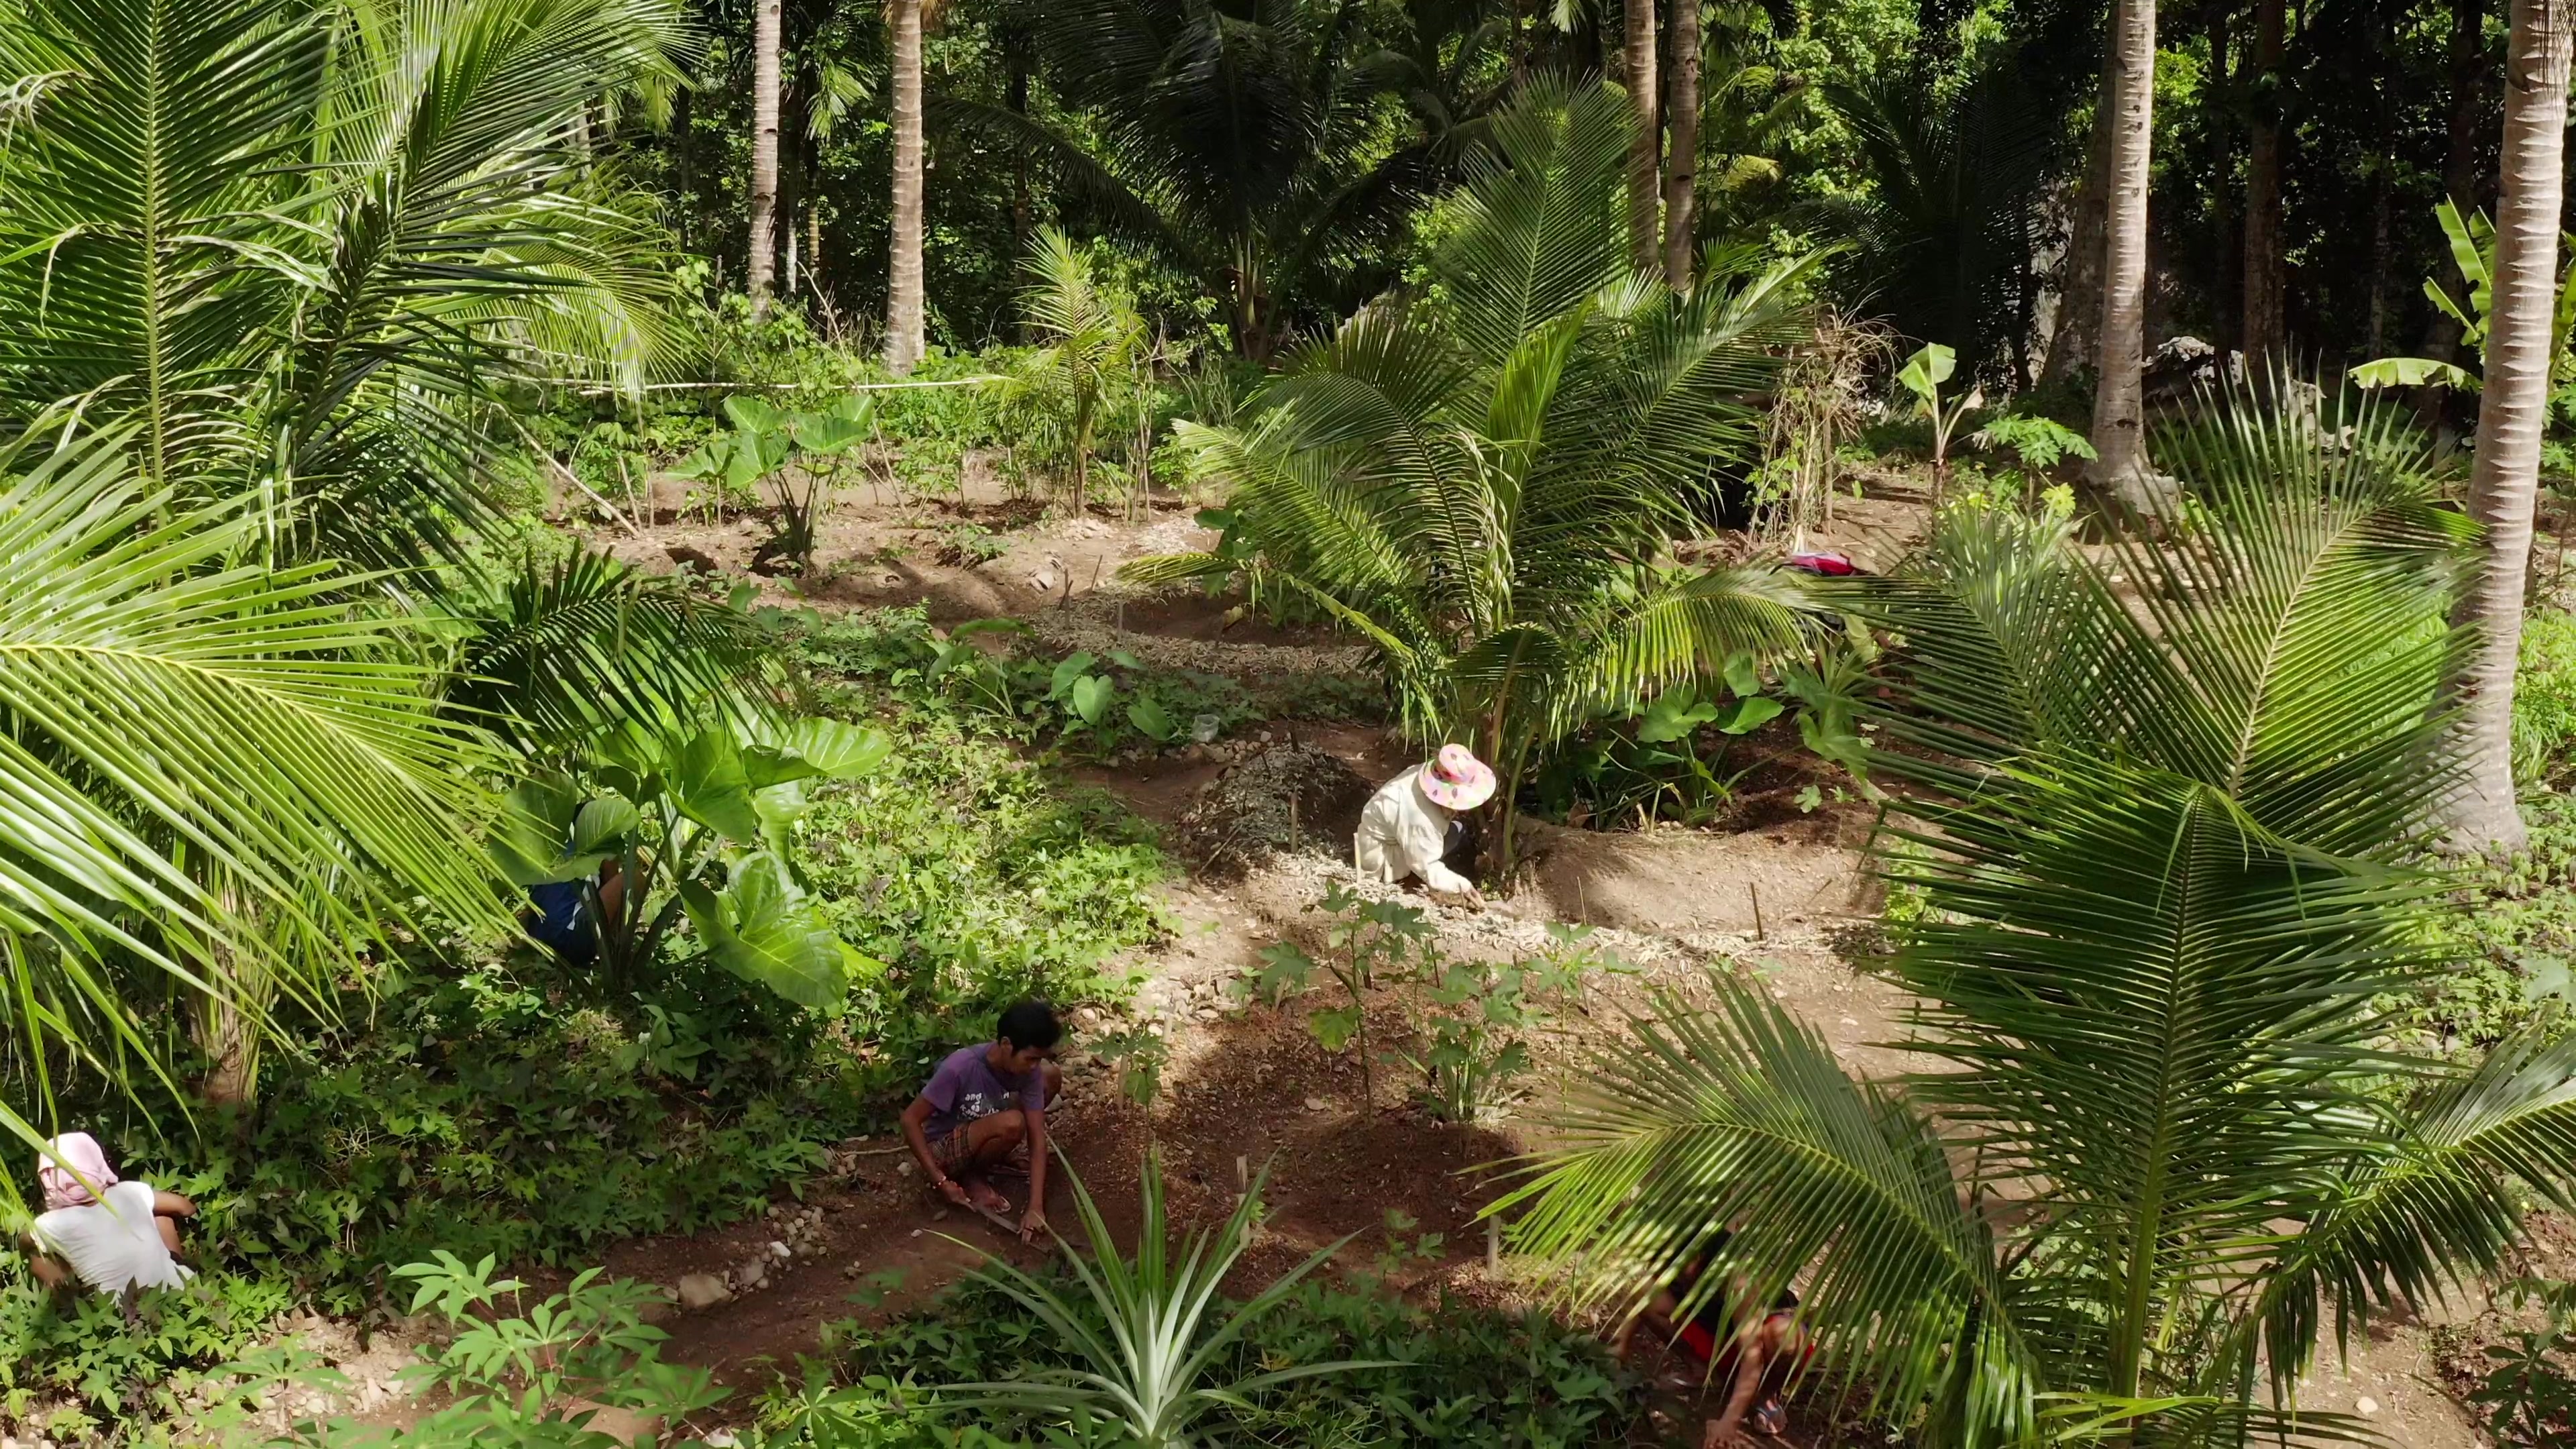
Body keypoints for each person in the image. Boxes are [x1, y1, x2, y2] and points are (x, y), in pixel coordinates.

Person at [1613, 1240, 1811, 1446]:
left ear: (1698, 1256)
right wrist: (1620, 1344)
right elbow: (1646, 1294)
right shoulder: (1675, 1257)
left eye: (1678, 1269)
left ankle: (1765, 1396)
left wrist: (1728, 1423)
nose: (1674, 1275)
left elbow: (1753, 1358)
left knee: (1786, 1336)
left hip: (1762, 1345)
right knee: (1647, 1291)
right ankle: (1702, 1371)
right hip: (1722, 1340)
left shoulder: (1737, 1280)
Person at [900, 1000, 1064, 1244]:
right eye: (1030, 1059)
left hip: (984, 1124)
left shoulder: (1029, 1072)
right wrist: (940, 1180)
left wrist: (1035, 1207)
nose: (1034, 1067)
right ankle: (971, 1177)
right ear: (1006, 1045)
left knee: (1049, 1076)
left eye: (1038, 1059)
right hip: (944, 1146)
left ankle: (988, 1160)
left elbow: (1037, 1138)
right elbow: (910, 1120)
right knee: (1012, 1122)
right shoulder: (960, 1067)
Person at [19, 1133, 197, 1297]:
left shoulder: (49, 1224)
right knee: (161, 1215)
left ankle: (67, 1300)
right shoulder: (129, 1192)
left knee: (38, 1256)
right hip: (179, 1290)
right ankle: (177, 1268)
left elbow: (24, 1241)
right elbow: (185, 1208)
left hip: (118, 1310)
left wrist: (28, 1244)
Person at [1354, 744, 1494, 902]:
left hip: (1385, 836)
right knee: (1453, 835)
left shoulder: (1426, 772)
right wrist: (1463, 886)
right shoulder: (1420, 817)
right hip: (1381, 858)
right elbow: (1426, 865)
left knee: (1456, 830)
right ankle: (1409, 879)